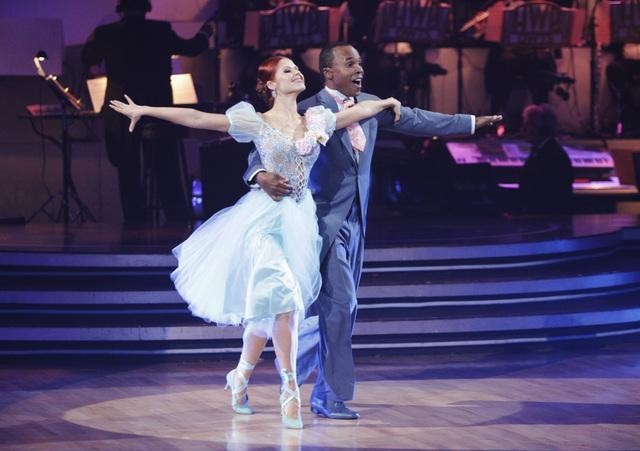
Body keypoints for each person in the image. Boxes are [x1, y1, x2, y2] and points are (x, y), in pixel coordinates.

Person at [109, 54, 402, 429]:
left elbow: (351, 115)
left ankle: (240, 377)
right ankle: (290, 389)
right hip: (263, 221)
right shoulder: (254, 120)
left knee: (275, 308)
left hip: (299, 222)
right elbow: (199, 119)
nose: (296, 71)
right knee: (282, 297)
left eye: (296, 67)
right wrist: (148, 110)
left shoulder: (315, 120)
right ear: (271, 85)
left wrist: (385, 102)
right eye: (286, 70)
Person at [245, 42, 502, 419]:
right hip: (317, 223)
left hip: (357, 221)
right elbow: (261, 150)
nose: (359, 68)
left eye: (360, 63)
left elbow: (417, 119)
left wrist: (468, 123)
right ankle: (328, 395)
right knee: (339, 306)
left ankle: (284, 380)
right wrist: (260, 175)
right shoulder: (307, 109)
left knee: (328, 311)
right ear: (329, 73)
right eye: (350, 63)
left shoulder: (371, 104)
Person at [81, 0, 212, 224]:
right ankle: (175, 216)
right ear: (146, 8)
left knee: (128, 167)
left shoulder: (107, 33)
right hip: (156, 109)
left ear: (120, 8)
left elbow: (87, 58)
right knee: (164, 164)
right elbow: (191, 48)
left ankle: (134, 220)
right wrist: (205, 32)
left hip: (122, 111)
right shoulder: (160, 30)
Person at [519, 104, 573, 215]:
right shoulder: (544, 149)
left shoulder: (553, 155)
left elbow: (541, 194)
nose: (523, 130)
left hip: (546, 217)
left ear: (538, 128)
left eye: (527, 125)